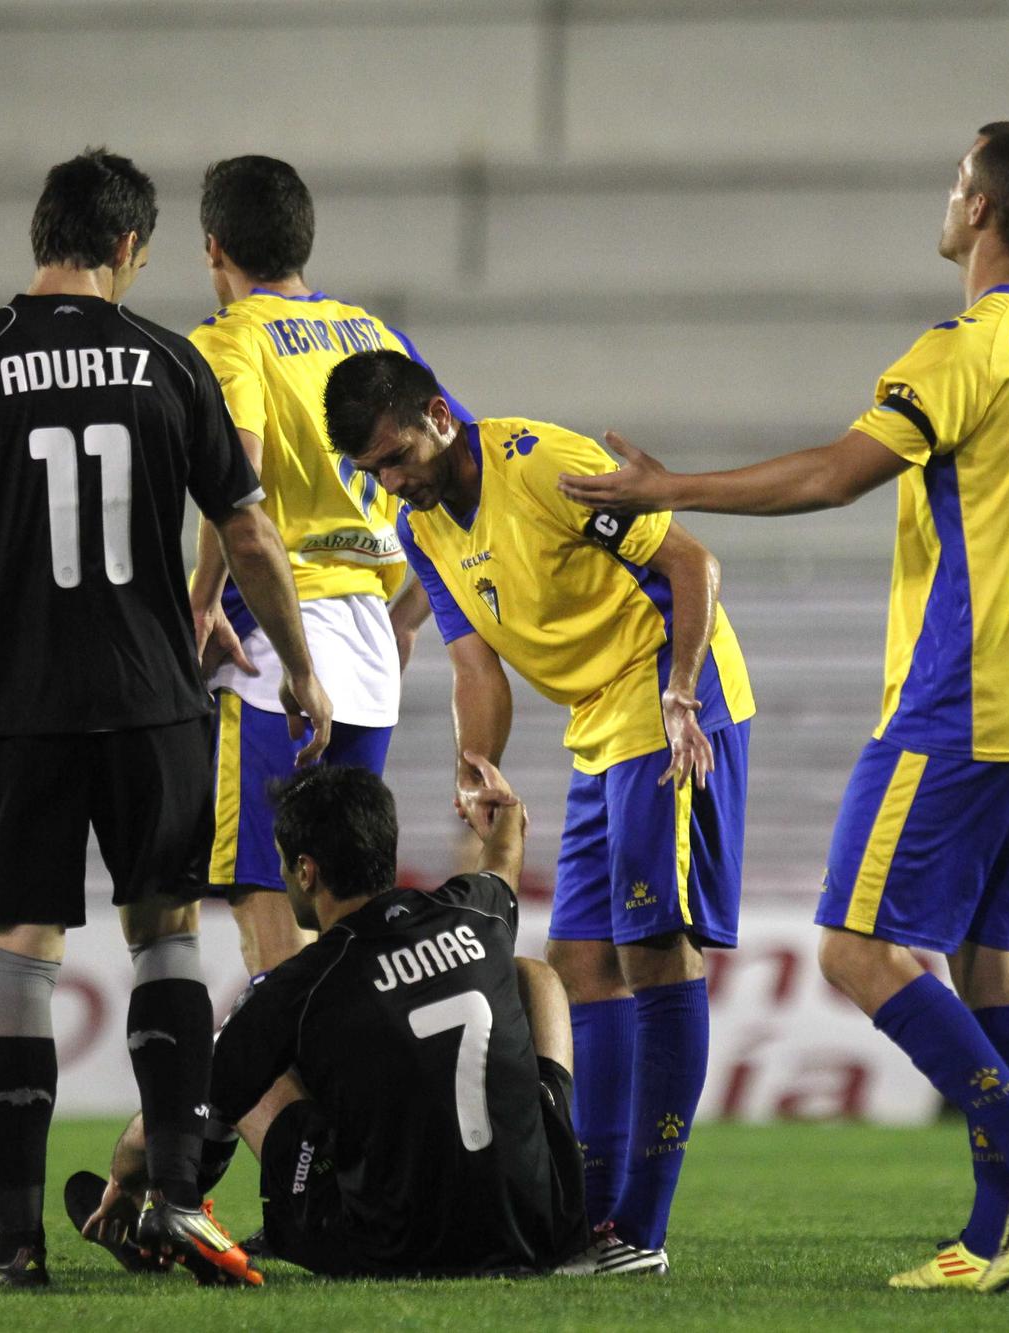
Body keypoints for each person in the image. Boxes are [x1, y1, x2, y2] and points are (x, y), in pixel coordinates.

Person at [556, 123, 1009, 1293]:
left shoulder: (961, 351)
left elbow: (830, 476)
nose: (946, 195)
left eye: (957, 181)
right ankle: (995, 1230)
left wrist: (668, 487)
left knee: (857, 951)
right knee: (993, 962)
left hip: (959, 700)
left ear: (982, 213)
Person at [0, 148, 332, 1291]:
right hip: (154, 703)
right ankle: (176, 1203)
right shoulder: (170, 360)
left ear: (43, 235)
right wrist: (296, 667)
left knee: (19, 962)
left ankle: (15, 1247)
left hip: (14, 710)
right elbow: (248, 533)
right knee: (164, 938)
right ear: (128, 248)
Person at [321, 351, 758, 1275]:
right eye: (374, 472)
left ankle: (639, 1225)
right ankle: (589, 1216)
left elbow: (692, 561)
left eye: (396, 455)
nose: (392, 481)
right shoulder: (424, 522)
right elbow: (475, 664)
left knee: (652, 952)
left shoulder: (544, 468)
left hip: (664, 699)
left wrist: (682, 691)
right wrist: (477, 767)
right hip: (597, 724)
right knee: (575, 965)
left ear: (440, 414)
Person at [73, 759, 591, 1278]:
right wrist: (508, 813)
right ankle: (570, 1151)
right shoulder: (475, 911)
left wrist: (123, 1178)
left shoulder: (303, 984)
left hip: (393, 1249)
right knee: (533, 976)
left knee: (247, 1051)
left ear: (306, 870)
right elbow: (503, 858)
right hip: (541, 1226)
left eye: (282, 863)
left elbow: (185, 1104)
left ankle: (177, 1202)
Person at [184, 155, 456, 977]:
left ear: (213, 247)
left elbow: (238, 494)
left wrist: (201, 598)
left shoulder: (230, 343)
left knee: (271, 916)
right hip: (371, 653)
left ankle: (296, 1109)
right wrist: (406, 616)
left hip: (274, 646)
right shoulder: (377, 335)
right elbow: (450, 470)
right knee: (345, 918)